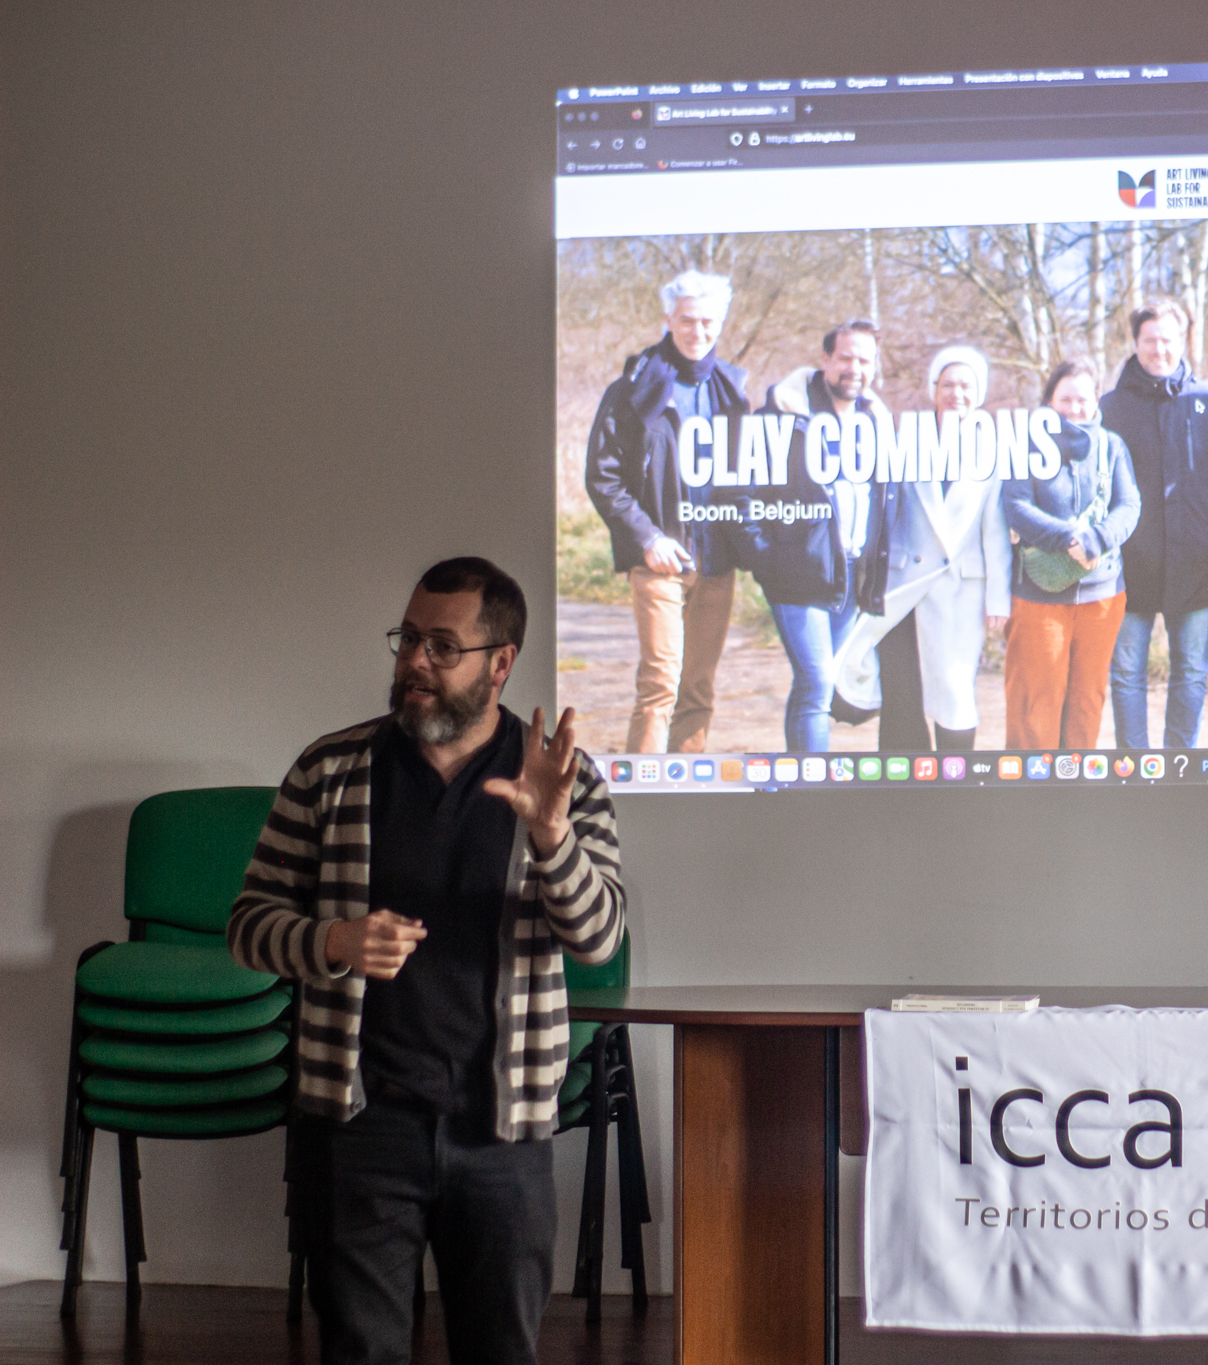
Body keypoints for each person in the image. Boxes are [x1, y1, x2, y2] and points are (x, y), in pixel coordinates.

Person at [227, 557, 625, 1365]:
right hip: (361, 1123)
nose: (414, 661)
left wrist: (551, 834)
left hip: (502, 1134)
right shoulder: (331, 770)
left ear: (500, 663)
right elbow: (249, 925)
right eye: (408, 639)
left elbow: (597, 937)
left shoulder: (558, 777)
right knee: (361, 1350)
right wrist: (333, 942)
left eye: (443, 646)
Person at [584, 269, 746, 754]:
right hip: (659, 561)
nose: (698, 332)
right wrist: (649, 539)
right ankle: (644, 797)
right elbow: (603, 477)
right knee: (660, 686)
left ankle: (687, 796)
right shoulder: (632, 388)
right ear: (668, 319)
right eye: (688, 320)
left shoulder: (733, 389)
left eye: (708, 322)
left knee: (698, 691)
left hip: (717, 562)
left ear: (721, 322)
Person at [832, 346, 1012, 750]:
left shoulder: (994, 448)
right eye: (947, 384)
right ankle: (902, 797)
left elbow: (996, 531)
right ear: (934, 389)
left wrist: (998, 596)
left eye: (966, 385)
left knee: (954, 691)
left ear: (979, 393)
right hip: (902, 586)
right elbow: (883, 512)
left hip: (960, 589)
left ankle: (955, 788)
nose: (956, 393)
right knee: (901, 691)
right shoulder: (905, 440)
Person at [735, 319, 891, 752]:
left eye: (864, 359)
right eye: (845, 357)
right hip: (797, 573)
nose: (854, 367)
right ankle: (814, 787)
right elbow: (739, 495)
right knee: (818, 681)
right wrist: (769, 559)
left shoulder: (877, 421)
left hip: (850, 575)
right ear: (825, 360)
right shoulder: (782, 413)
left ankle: (798, 778)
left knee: (813, 686)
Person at [1098, 298, 1208, 750]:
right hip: (1128, 564)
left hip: (1193, 561)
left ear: (1183, 342)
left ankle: (1181, 764)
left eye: (1168, 340)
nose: (1160, 350)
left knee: (1192, 672)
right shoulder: (1110, 408)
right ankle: (1134, 767)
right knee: (1126, 674)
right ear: (1136, 343)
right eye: (1150, 340)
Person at [1001, 357, 1140, 750]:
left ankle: (1077, 794)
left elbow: (1129, 505)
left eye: (1083, 399)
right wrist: (1070, 538)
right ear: (1048, 401)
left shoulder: (1112, 446)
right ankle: (1030, 797)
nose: (1075, 408)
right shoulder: (1025, 446)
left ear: (1096, 399)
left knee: (1087, 702)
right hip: (1038, 597)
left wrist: (1096, 540)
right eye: (1065, 400)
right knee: (1035, 702)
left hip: (1102, 597)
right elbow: (1017, 506)